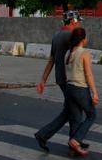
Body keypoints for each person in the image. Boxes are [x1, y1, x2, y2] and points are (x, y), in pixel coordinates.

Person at [33, 11, 83, 152]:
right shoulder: (71, 36)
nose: (79, 24)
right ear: (73, 21)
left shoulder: (56, 36)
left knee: (72, 110)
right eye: (78, 21)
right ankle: (45, 135)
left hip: (60, 78)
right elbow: (75, 58)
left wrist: (43, 80)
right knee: (74, 112)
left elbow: (51, 60)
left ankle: (74, 140)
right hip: (70, 79)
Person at [64, 26, 99, 158]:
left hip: (69, 88)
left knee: (76, 118)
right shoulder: (84, 53)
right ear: (83, 39)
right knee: (91, 115)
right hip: (80, 89)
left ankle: (73, 147)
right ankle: (75, 140)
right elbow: (89, 75)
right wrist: (95, 93)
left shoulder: (69, 53)